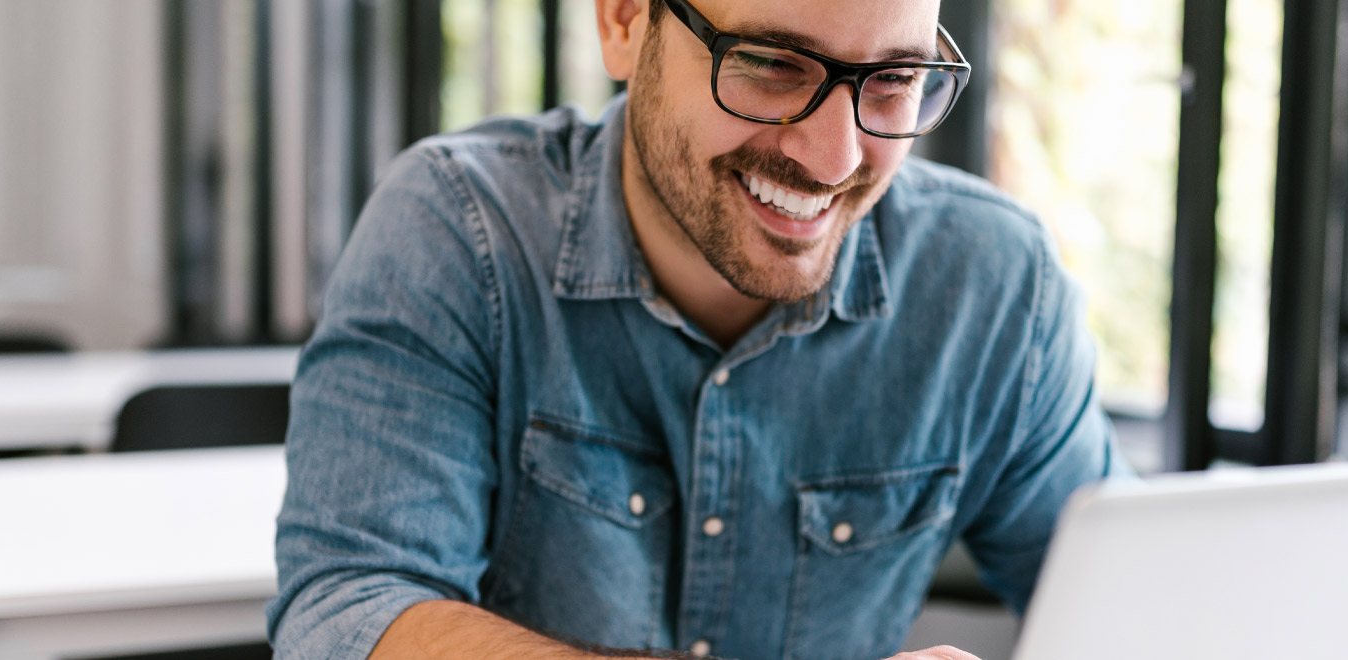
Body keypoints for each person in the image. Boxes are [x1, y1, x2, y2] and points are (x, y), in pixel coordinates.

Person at [267, 0, 1133, 657]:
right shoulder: (459, 228)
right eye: (770, 64)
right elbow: (346, 614)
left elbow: (1134, 607)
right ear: (623, 21)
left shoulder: (992, 284)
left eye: (894, 81)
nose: (835, 158)